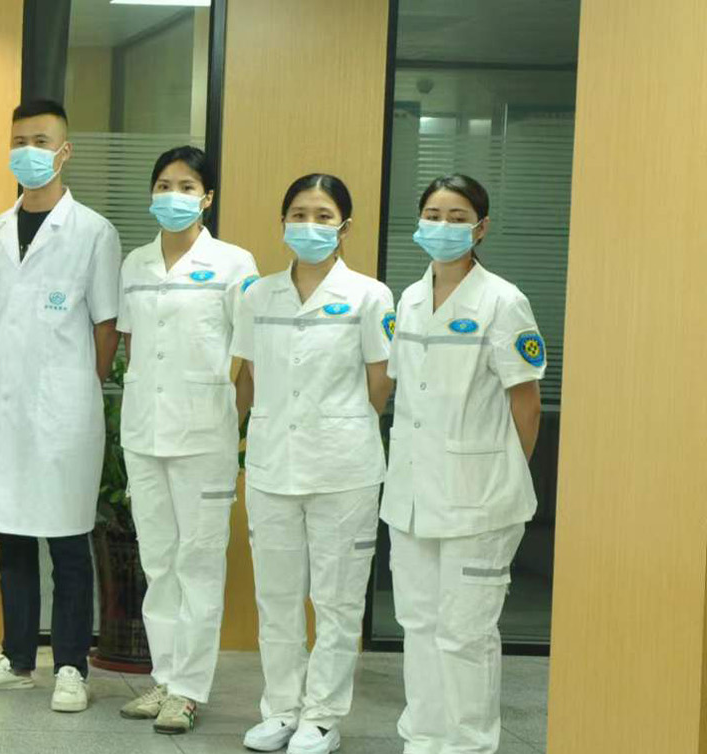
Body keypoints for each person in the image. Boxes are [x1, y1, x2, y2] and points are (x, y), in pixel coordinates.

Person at [0, 99, 121, 712]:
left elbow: (107, 327)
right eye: (20, 141)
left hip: (65, 412)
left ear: (64, 151)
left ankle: (72, 666)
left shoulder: (94, 232)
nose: (29, 151)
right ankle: (17, 660)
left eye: (41, 141)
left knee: (69, 543)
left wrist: (78, 389)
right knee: (14, 540)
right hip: (8, 409)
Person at [231, 174, 393, 754]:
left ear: (345, 227)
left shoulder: (370, 296)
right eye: (299, 214)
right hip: (273, 465)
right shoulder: (258, 295)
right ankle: (280, 709)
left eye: (323, 216)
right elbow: (248, 376)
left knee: (337, 599)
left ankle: (322, 715)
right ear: (282, 222)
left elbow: (380, 385)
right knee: (276, 598)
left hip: (343, 469)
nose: (310, 225)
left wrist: (334, 422)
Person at [382, 174, 543, 754]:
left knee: (465, 634)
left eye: (457, 217)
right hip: (412, 496)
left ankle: (468, 745)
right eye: (433, 214)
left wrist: (501, 473)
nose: (443, 226)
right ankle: (423, 739)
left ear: (481, 228)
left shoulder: (503, 300)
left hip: (480, 501)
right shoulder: (409, 299)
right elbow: (406, 391)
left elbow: (526, 403)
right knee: (419, 626)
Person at [113, 147, 258, 735]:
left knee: (198, 562)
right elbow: (131, 346)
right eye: (164, 184)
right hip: (144, 431)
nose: (173, 195)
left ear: (207, 198)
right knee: (158, 560)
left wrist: (231, 422)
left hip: (205, 437)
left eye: (187, 185)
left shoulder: (233, 263)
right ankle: (166, 677)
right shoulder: (136, 262)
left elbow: (250, 355)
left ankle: (190, 689)